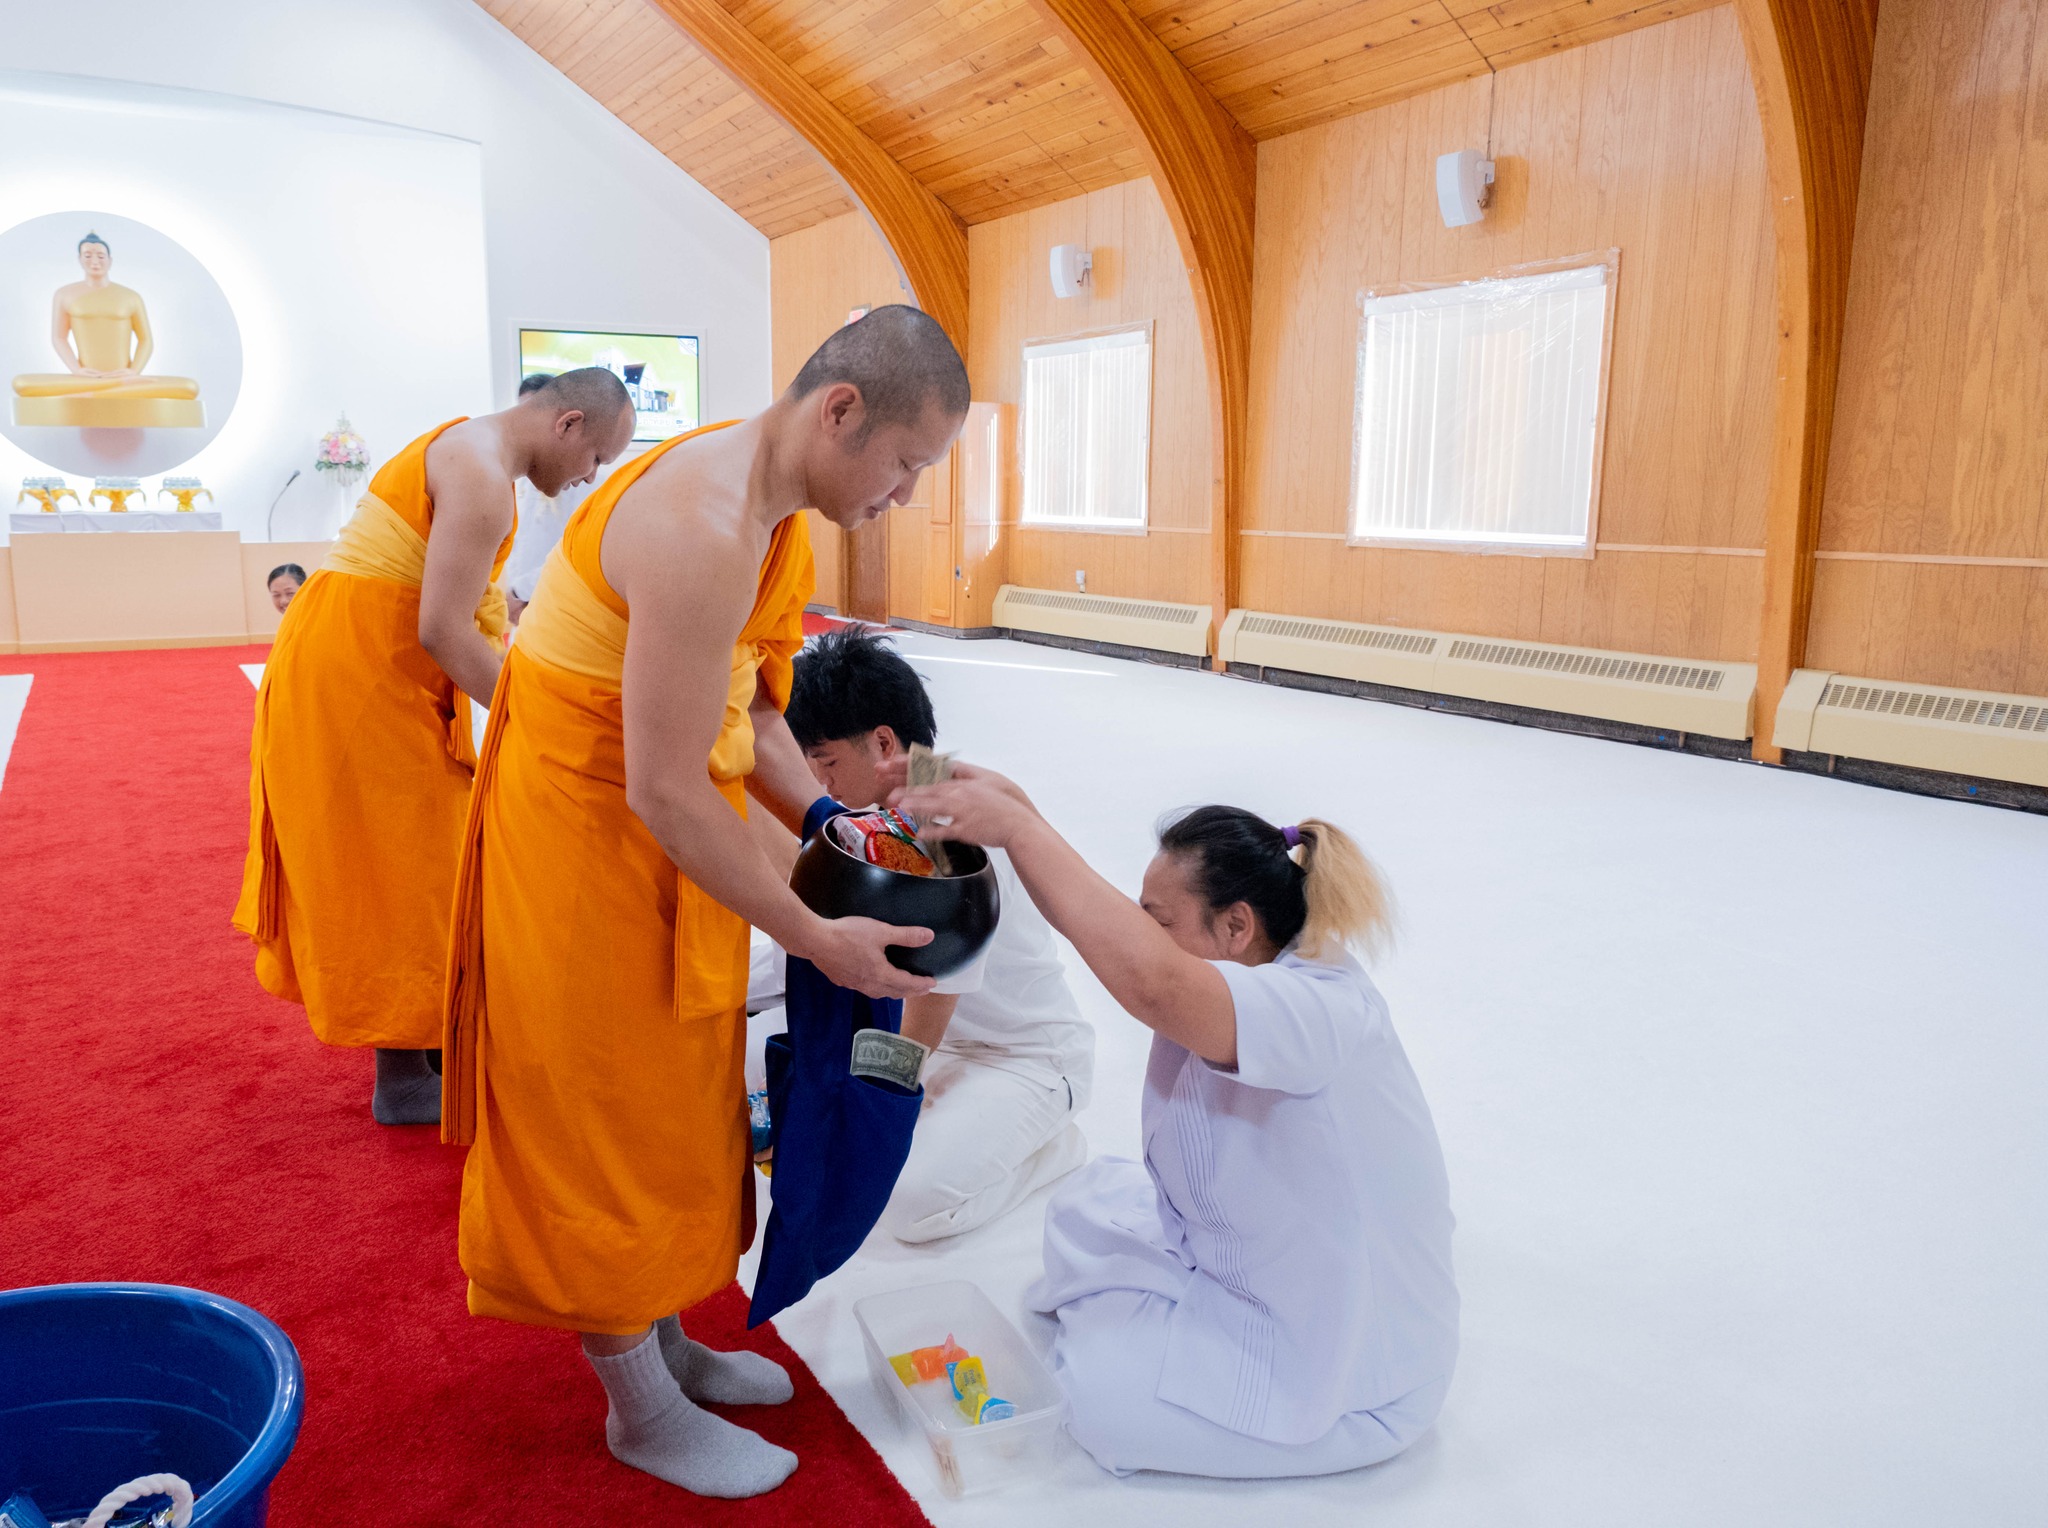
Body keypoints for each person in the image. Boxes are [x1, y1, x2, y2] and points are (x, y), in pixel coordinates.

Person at [440, 306, 969, 1499]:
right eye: (903, 464)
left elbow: (761, 709)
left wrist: (830, 827)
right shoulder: (700, 520)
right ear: (839, 410)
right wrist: (815, 931)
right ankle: (636, 1404)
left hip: (655, 829)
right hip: (582, 836)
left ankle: (669, 1341)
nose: (900, 493)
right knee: (597, 1109)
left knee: (680, 1096)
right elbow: (670, 789)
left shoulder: (777, 514)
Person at [890, 766, 1459, 1480]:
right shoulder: (1247, 962)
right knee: (1081, 1205)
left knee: (1099, 1406)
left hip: (1353, 1373)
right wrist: (1009, 808)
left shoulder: (1318, 1008)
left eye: (1159, 921)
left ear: (1236, 924)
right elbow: (1120, 932)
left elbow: (1150, 981)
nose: (1144, 935)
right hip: (1240, 1254)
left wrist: (1018, 829)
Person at [233, 371, 636, 1126]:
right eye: (596, 458)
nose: (591, 476)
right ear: (569, 424)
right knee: (402, 861)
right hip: (359, 674)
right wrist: (539, 718)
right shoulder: (482, 474)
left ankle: (437, 1038)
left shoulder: (472, 447)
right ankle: (404, 1071)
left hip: (362, 656)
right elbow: (443, 630)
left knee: (437, 850)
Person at [753, 626, 1092, 1243]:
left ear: (882, 741)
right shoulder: (881, 811)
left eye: (826, 763)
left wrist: (870, 1101)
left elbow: (934, 993)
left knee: (904, 1203)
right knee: (742, 1062)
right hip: (916, 1026)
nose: (818, 785)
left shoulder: (947, 820)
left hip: (1020, 1059)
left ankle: (1054, 1147)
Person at [501, 372, 597, 624]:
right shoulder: (515, 472)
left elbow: (576, 549)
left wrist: (522, 592)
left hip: (558, 604)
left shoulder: (582, 477)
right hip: (518, 606)